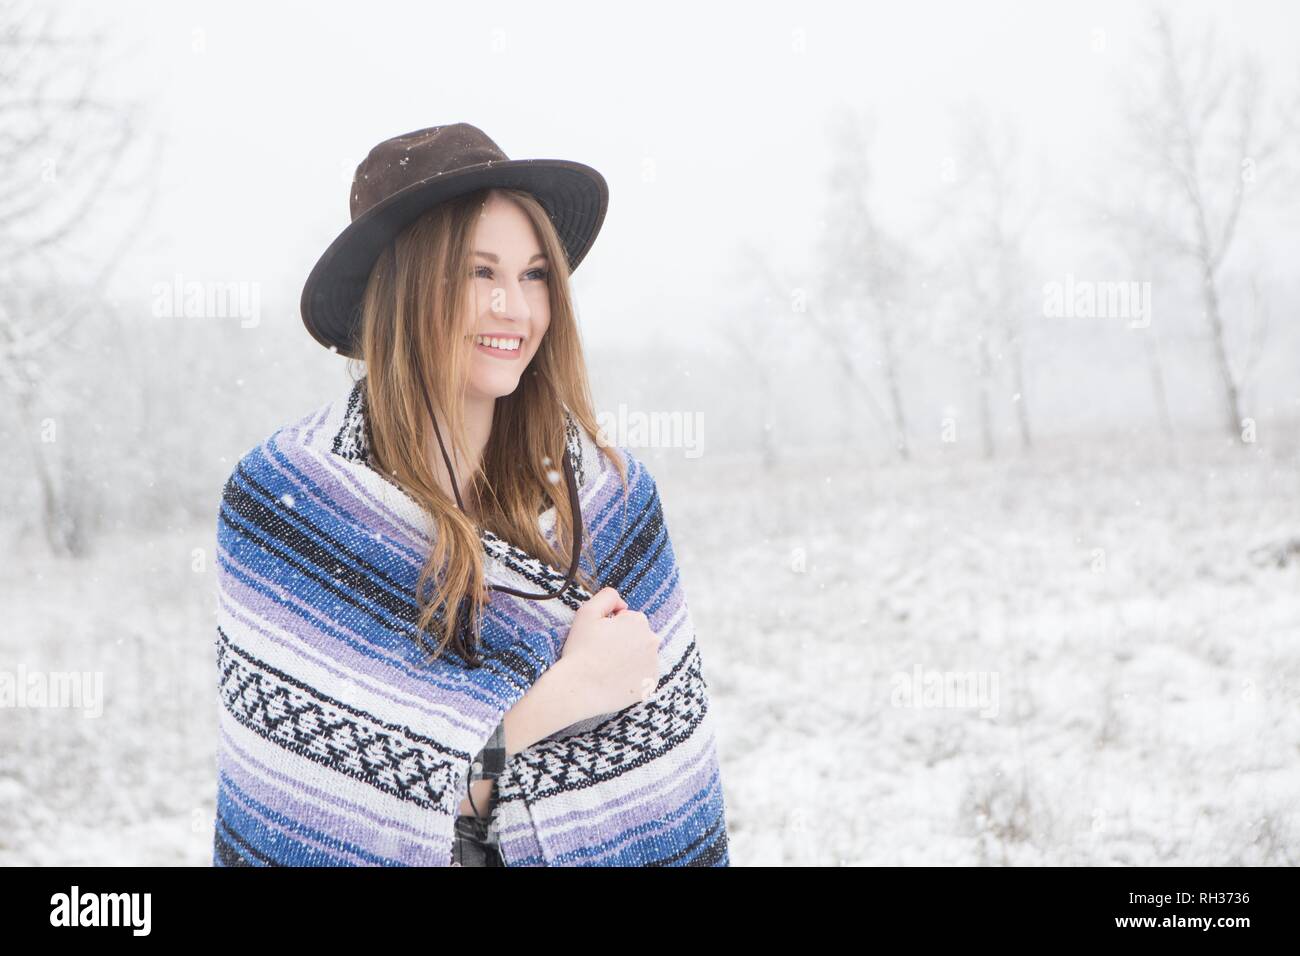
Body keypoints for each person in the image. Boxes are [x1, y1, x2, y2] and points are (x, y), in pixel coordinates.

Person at [213, 124, 731, 866]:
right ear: (404, 290)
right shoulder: (290, 510)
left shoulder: (611, 500)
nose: (515, 310)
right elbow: (330, 820)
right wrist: (558, 700)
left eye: (534, 275)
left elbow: (669, 789)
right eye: (479, 272)